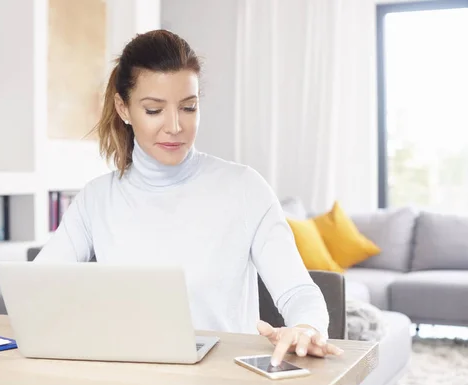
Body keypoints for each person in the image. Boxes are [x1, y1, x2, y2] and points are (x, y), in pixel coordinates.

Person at [35, 29, 344, 366]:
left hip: (223, 381)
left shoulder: (244, 188)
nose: (175, 126)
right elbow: (37, 289)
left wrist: (306, 327)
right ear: (123, 108)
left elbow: (299, 291)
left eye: (188, 107)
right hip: (131, 377)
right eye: (154, 110)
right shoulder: (95, 199)